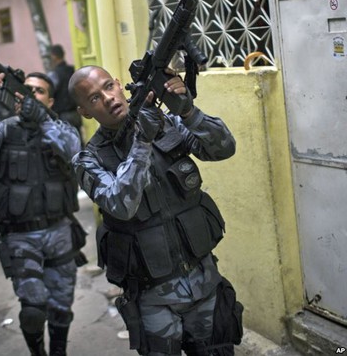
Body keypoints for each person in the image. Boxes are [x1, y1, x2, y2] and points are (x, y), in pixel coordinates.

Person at [69, 65, 242, 355]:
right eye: (95, 98)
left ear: (118, 84)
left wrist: (188, 111)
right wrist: (141, 143)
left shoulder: (167, 123)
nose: (109, 98)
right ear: (85, 111)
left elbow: (224, 148)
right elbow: (120, 204)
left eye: (108, 87)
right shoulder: (88, 160)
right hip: (153, 300)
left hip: (205, 283)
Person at [0, 71, 85, 356]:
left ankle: (58, 351)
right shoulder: (4, 129)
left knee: (61, 307)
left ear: (49, 100)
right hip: (20, 237)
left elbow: (73, 150)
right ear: (16, 99)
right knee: (33, 309)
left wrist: (44, 119)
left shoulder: (60, 127)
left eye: (39, 91)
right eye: (27, 90)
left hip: (59, 231)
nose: (31, 95)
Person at [47, 44, 83, 139]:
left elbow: (50, 92)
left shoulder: (54, 74)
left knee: (67, 144)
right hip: (76, 113)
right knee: (79, 141)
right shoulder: (73, 70)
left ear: (54, 56)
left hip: (62, 116)